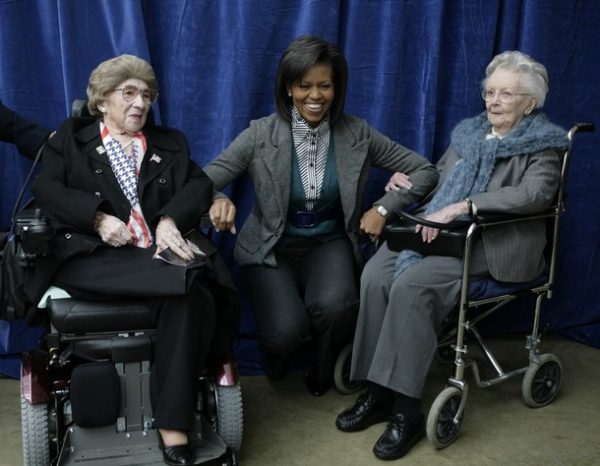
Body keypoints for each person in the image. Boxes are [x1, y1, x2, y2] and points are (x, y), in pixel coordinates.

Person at [335, 50, 570, 460]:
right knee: (376, 273)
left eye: (507, 94)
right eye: (490, 92)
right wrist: (403, 182)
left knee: (412, 285)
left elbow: (535, 194)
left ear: (529, 103)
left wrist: (464, 206)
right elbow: (436, 179)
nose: (494, 102)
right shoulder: (469, 135)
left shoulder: (544, 145)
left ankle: (406, 410)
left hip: (491, 243)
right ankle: (377, 391)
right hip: (440, 233)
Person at [27, 54, 239, 466]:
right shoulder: (70, 139)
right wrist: (97, 217)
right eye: (128, 94)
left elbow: (199, 185)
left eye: (146, 95)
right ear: (102, 100)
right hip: (94, 258)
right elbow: (47, 190)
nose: (140, 103)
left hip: (156, 260)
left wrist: (169, 220)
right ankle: (174, 427)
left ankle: (171, 423)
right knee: (191, 280)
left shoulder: (170, 143)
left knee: (190, 296)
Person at [204, 35, 439, 397]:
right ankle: (277, 355)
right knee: (284, 332)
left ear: (336, 88)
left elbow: (424, 170)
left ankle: (322, 366)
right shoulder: (260, 134)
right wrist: (218, 199)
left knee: (337, 308)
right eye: (305, 86)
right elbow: (202, 181)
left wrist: (383, 208)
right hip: (272, 247)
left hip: (328, 242)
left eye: (325, 86)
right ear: (287, 88)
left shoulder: (357, 133)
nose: (315, 96)